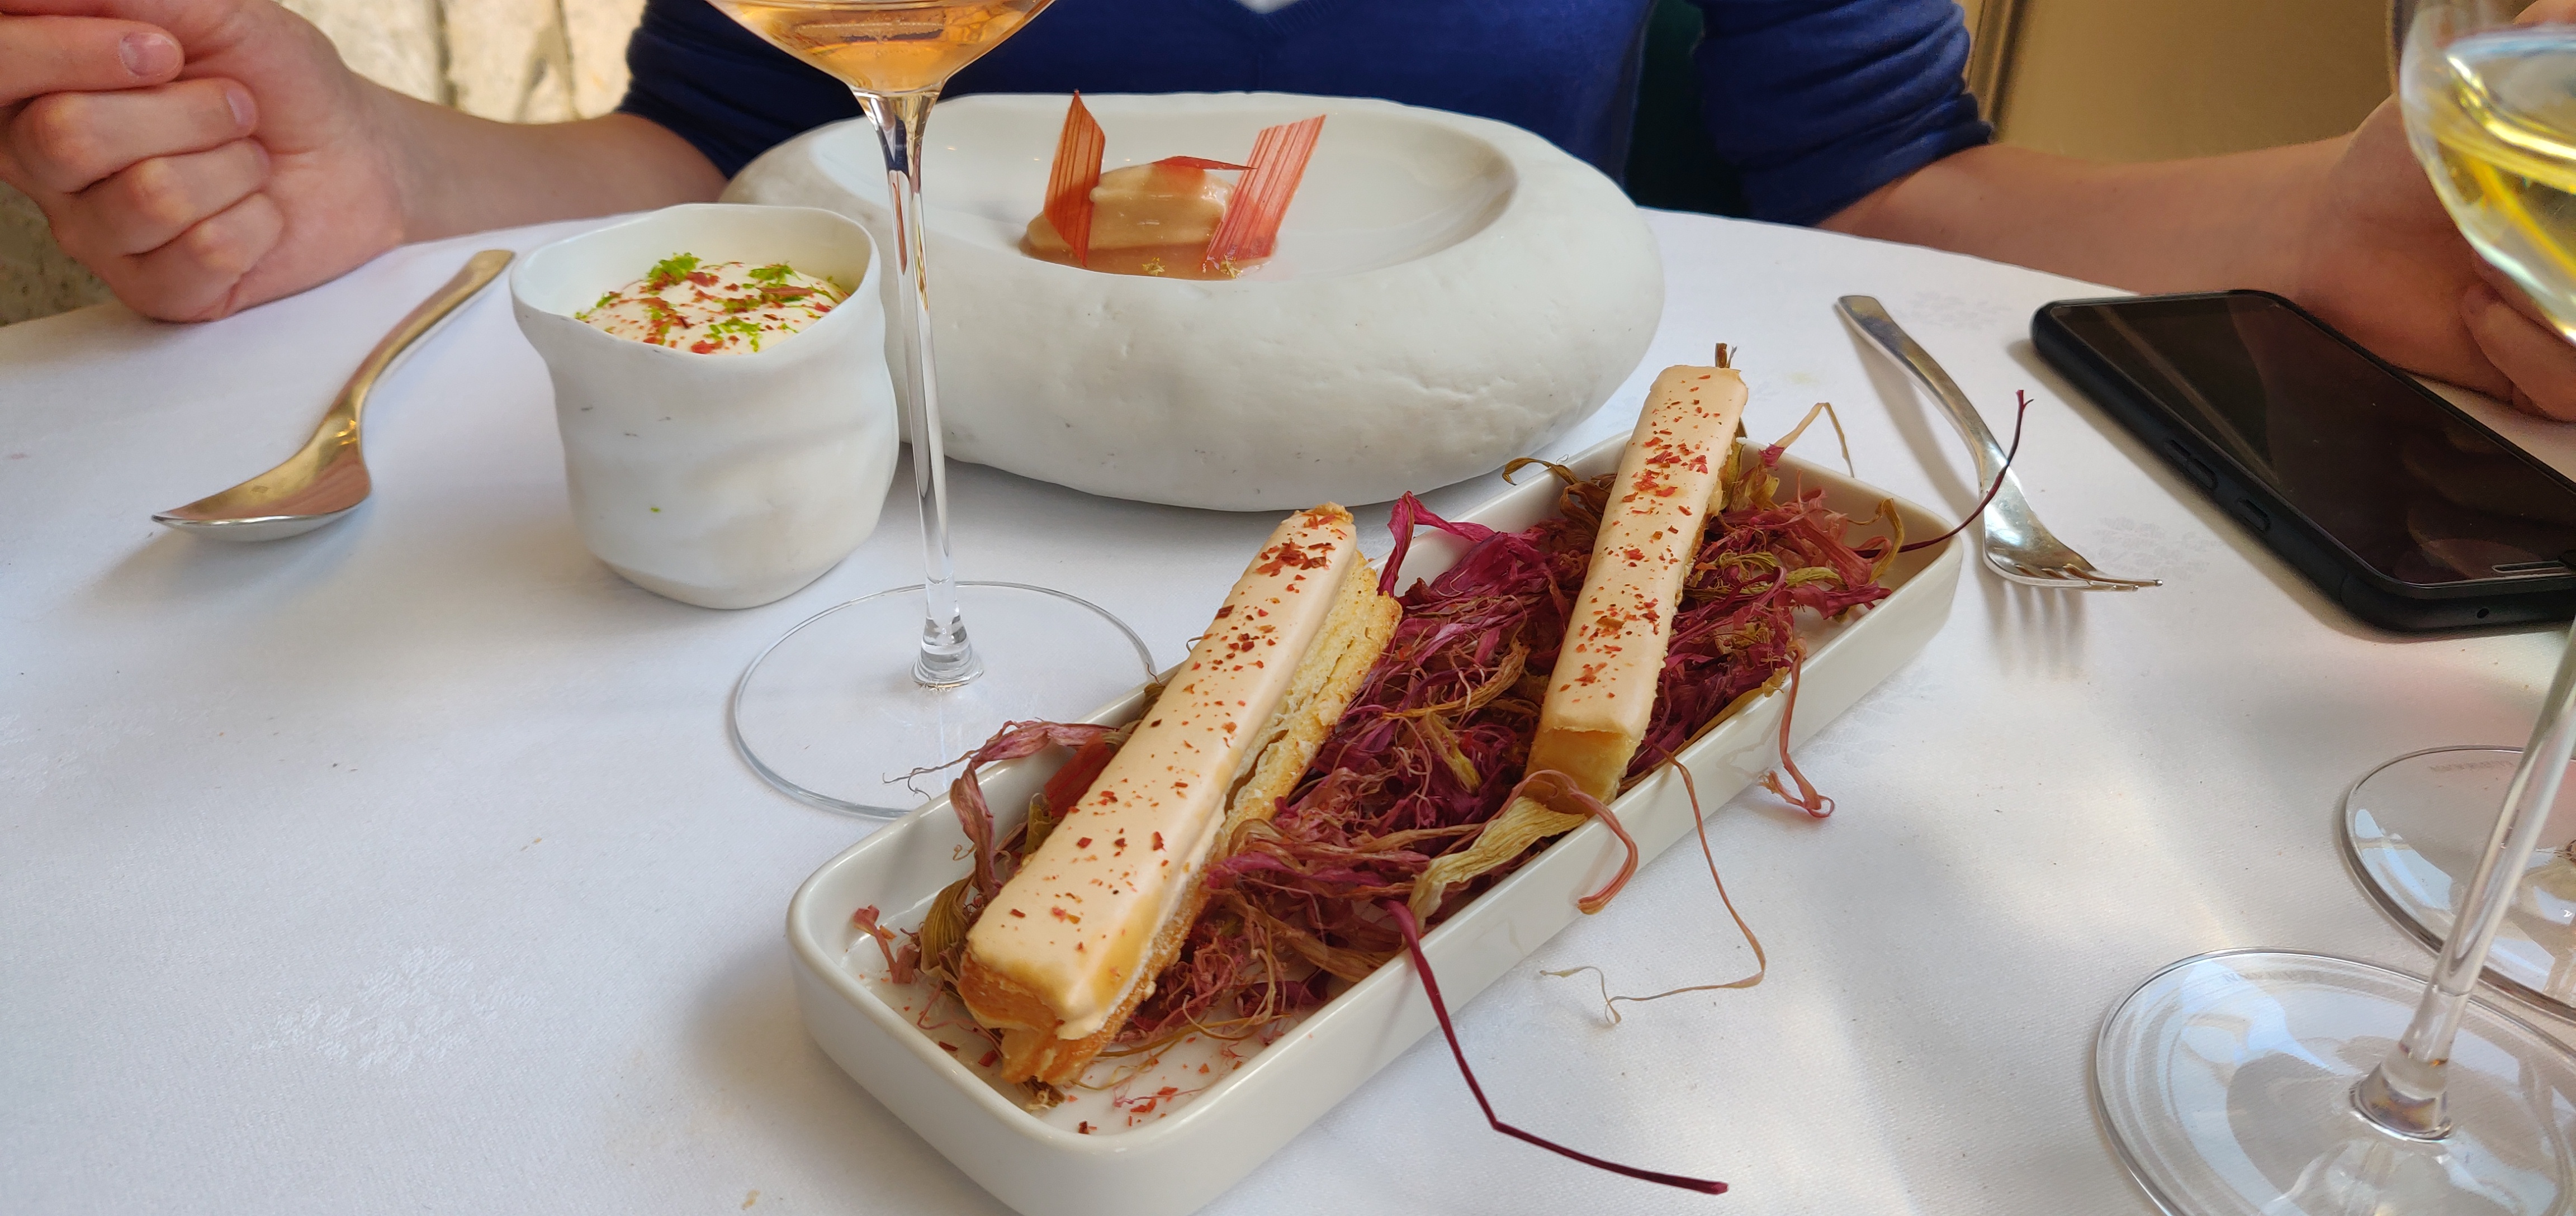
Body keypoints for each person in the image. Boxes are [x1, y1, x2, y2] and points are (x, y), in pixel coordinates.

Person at [2, 0, 2572, 420]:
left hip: (1489, 518)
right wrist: (388, 170)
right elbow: (724, 151)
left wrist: (2311, 218)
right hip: (920, 540)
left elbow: (1900, 186)